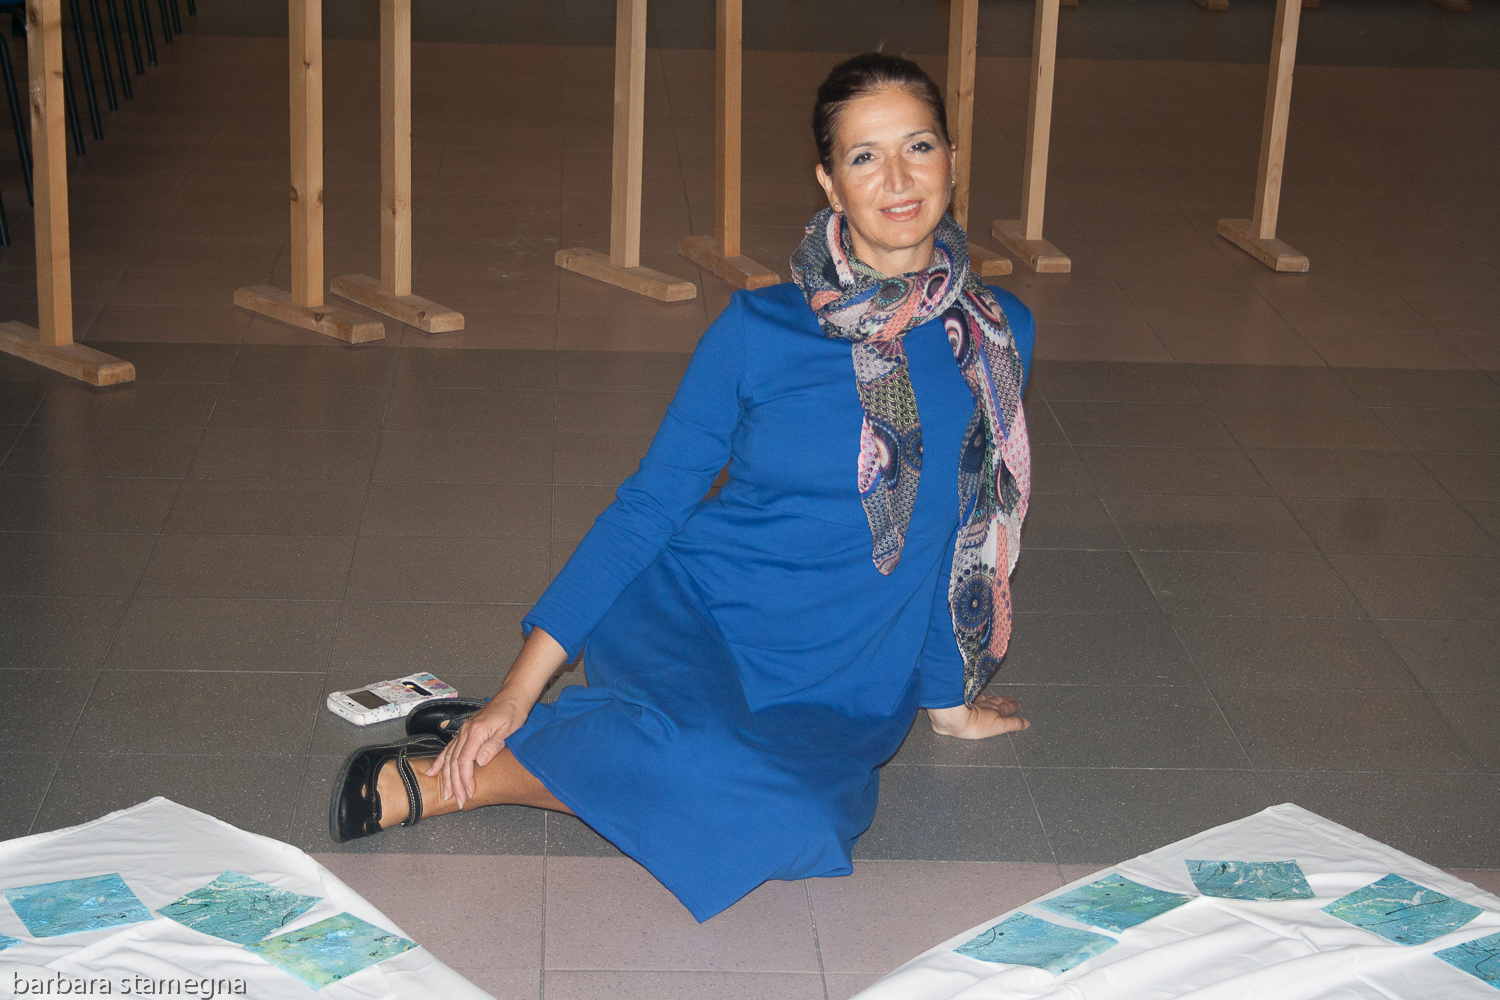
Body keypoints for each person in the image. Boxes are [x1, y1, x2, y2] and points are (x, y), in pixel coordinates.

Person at [331, 52, 1035, 923]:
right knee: (721, 775)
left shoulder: (996, 338)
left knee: (805, 824)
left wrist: (945, 702)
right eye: (864, 156)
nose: (897, 179)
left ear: (953, 159)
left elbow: (965, 529)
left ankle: (589, 738)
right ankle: (468, 781)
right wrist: (520, 690)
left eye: (918, 146)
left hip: (846, 675)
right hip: (699, 609)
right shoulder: (758, 328)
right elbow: (648, 508)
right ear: (829, 181)